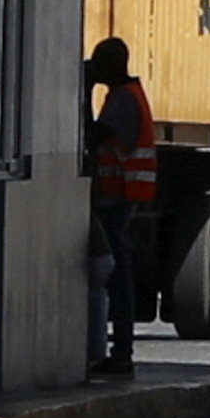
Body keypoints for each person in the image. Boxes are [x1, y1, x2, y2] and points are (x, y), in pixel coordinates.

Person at [83, 36, 158, 378]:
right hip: (118, 196)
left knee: (116, 276)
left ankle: (122, 351)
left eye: (99, 63)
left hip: (117, 198)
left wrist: (83, 92)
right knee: (115, 274)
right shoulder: (124, 95)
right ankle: (118, 351)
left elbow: (92, 135)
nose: (95, 68)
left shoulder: (124, 101)